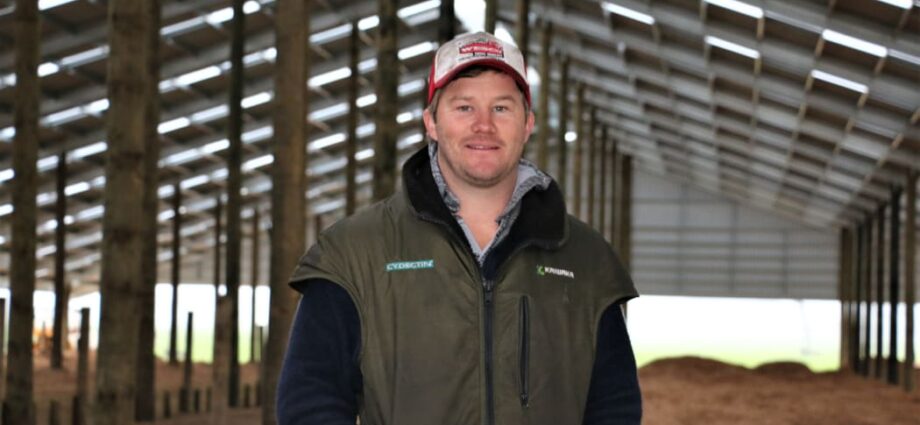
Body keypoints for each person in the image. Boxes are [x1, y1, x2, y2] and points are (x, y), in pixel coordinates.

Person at [277, 31, 641, 425]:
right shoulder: (354, 253)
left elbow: (613, 404)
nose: (483, 126)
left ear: (527, 124)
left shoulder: (585, 259)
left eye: (501, 108)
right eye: (464, 107)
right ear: (431, 122)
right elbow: (310, 399)